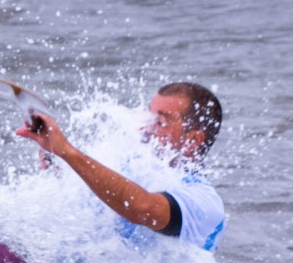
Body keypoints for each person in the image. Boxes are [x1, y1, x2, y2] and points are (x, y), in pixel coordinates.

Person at [15, 82, 226, 251]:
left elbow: (143, 209)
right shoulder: (131, 167)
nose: (146, 128)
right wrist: (52, 156)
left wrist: (67, 152)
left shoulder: (204, 202)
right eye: (149, 116)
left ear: (194, 140)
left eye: (160, 122)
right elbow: (73, 208)